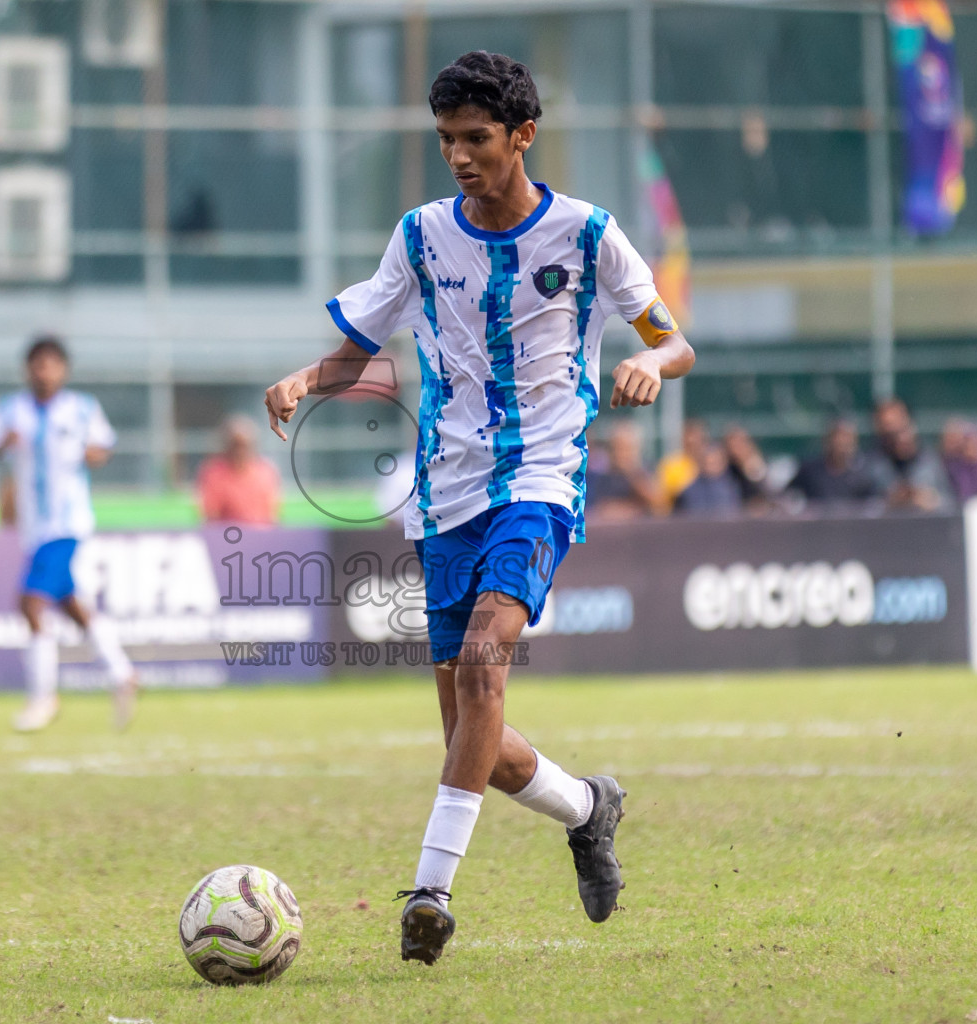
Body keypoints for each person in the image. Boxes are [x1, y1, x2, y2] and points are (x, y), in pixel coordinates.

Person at [263, 51, 695, 965]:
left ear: (522, 136)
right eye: (446, 140)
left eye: (476, 139)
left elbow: (672, 339)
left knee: (486, 662)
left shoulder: (586, 233)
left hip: (539, 478)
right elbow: (355, 347)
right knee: (476, 735)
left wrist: (648, 364)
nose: (458, 156)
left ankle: (429, 893)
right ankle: (587, 807)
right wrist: (311, 376)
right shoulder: (419, 235)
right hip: (444, 491)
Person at [0, 336, 139, 733]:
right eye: (36, 364)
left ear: (63, 369)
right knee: (70, 604)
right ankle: (121, 674)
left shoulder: (82, 408)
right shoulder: (10, 411)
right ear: (27, 369)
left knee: (31, 603)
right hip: (33, 527)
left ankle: (42, 697)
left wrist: (90, 454)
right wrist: (1, 445)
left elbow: (104, 448)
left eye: (50, 364)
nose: (43, 371)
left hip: (68, 524)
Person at [196, 415, 282, 525]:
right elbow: (210, 517)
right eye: (236, 445)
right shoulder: (213, 474)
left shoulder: (266, 472)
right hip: (228, 537)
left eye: (245, 445)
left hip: (261, 536)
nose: (240, 451)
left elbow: (272, 515)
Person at [865, 407, 950, 512]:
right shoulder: (876, 466)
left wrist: (930, 500)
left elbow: (950, 502)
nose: (903, 445)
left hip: (927, 523)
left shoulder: (930, 463)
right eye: (898, 441)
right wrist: (892, 501)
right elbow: (864, 505)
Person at [585, 421, 663, 523]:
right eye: (617, 447)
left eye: (627, 448)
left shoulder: (646, 471)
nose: (621, 453)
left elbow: (658, 505)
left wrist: (631, 471)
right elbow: (597, 509)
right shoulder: (601, 475)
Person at [788, 419, 878, 506]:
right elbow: (788, 495)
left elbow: (874, 505)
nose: (841, 443)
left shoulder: (864, 474)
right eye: (836, 438)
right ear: (826, 441)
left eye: (846, 438)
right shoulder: (810, 471)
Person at [674, 443, 742, 515]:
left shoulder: (732, 487)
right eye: (708, 463)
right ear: (701, 464)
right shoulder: (689, 491)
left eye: (715, 462)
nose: (711, 467)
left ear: (723, 464)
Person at [656, 418, 707, 508]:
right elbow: (664, 495)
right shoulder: (672, 464)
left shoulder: (711, 461)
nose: (692, 441)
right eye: (688, 436)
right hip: (679, 515)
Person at [721, 424, 770, 510]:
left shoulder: (760, 463)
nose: (736, 450)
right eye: (732, 446)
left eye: (739, 444)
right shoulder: (729, 469)